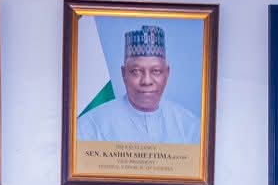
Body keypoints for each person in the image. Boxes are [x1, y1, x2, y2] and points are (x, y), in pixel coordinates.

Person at [74, 24, 203, 145]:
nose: (146, 81)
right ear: (124, 73)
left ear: (167, 73)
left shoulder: (190, 127)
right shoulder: (90, 126)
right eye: (136, 71)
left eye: (156, 71)